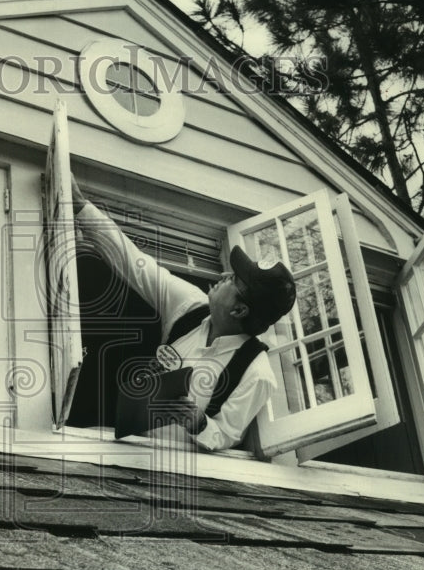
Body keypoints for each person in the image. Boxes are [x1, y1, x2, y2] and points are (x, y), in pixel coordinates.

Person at [70, 177, 297, 452]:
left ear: (239, 310)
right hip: (125, 444)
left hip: (173, 474)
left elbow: (226, 435)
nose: (224, 275)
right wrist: (81, 208)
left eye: (234, 279)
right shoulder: (192, 306)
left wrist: (199, 423)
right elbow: (135, 263)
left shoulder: (257, 373)